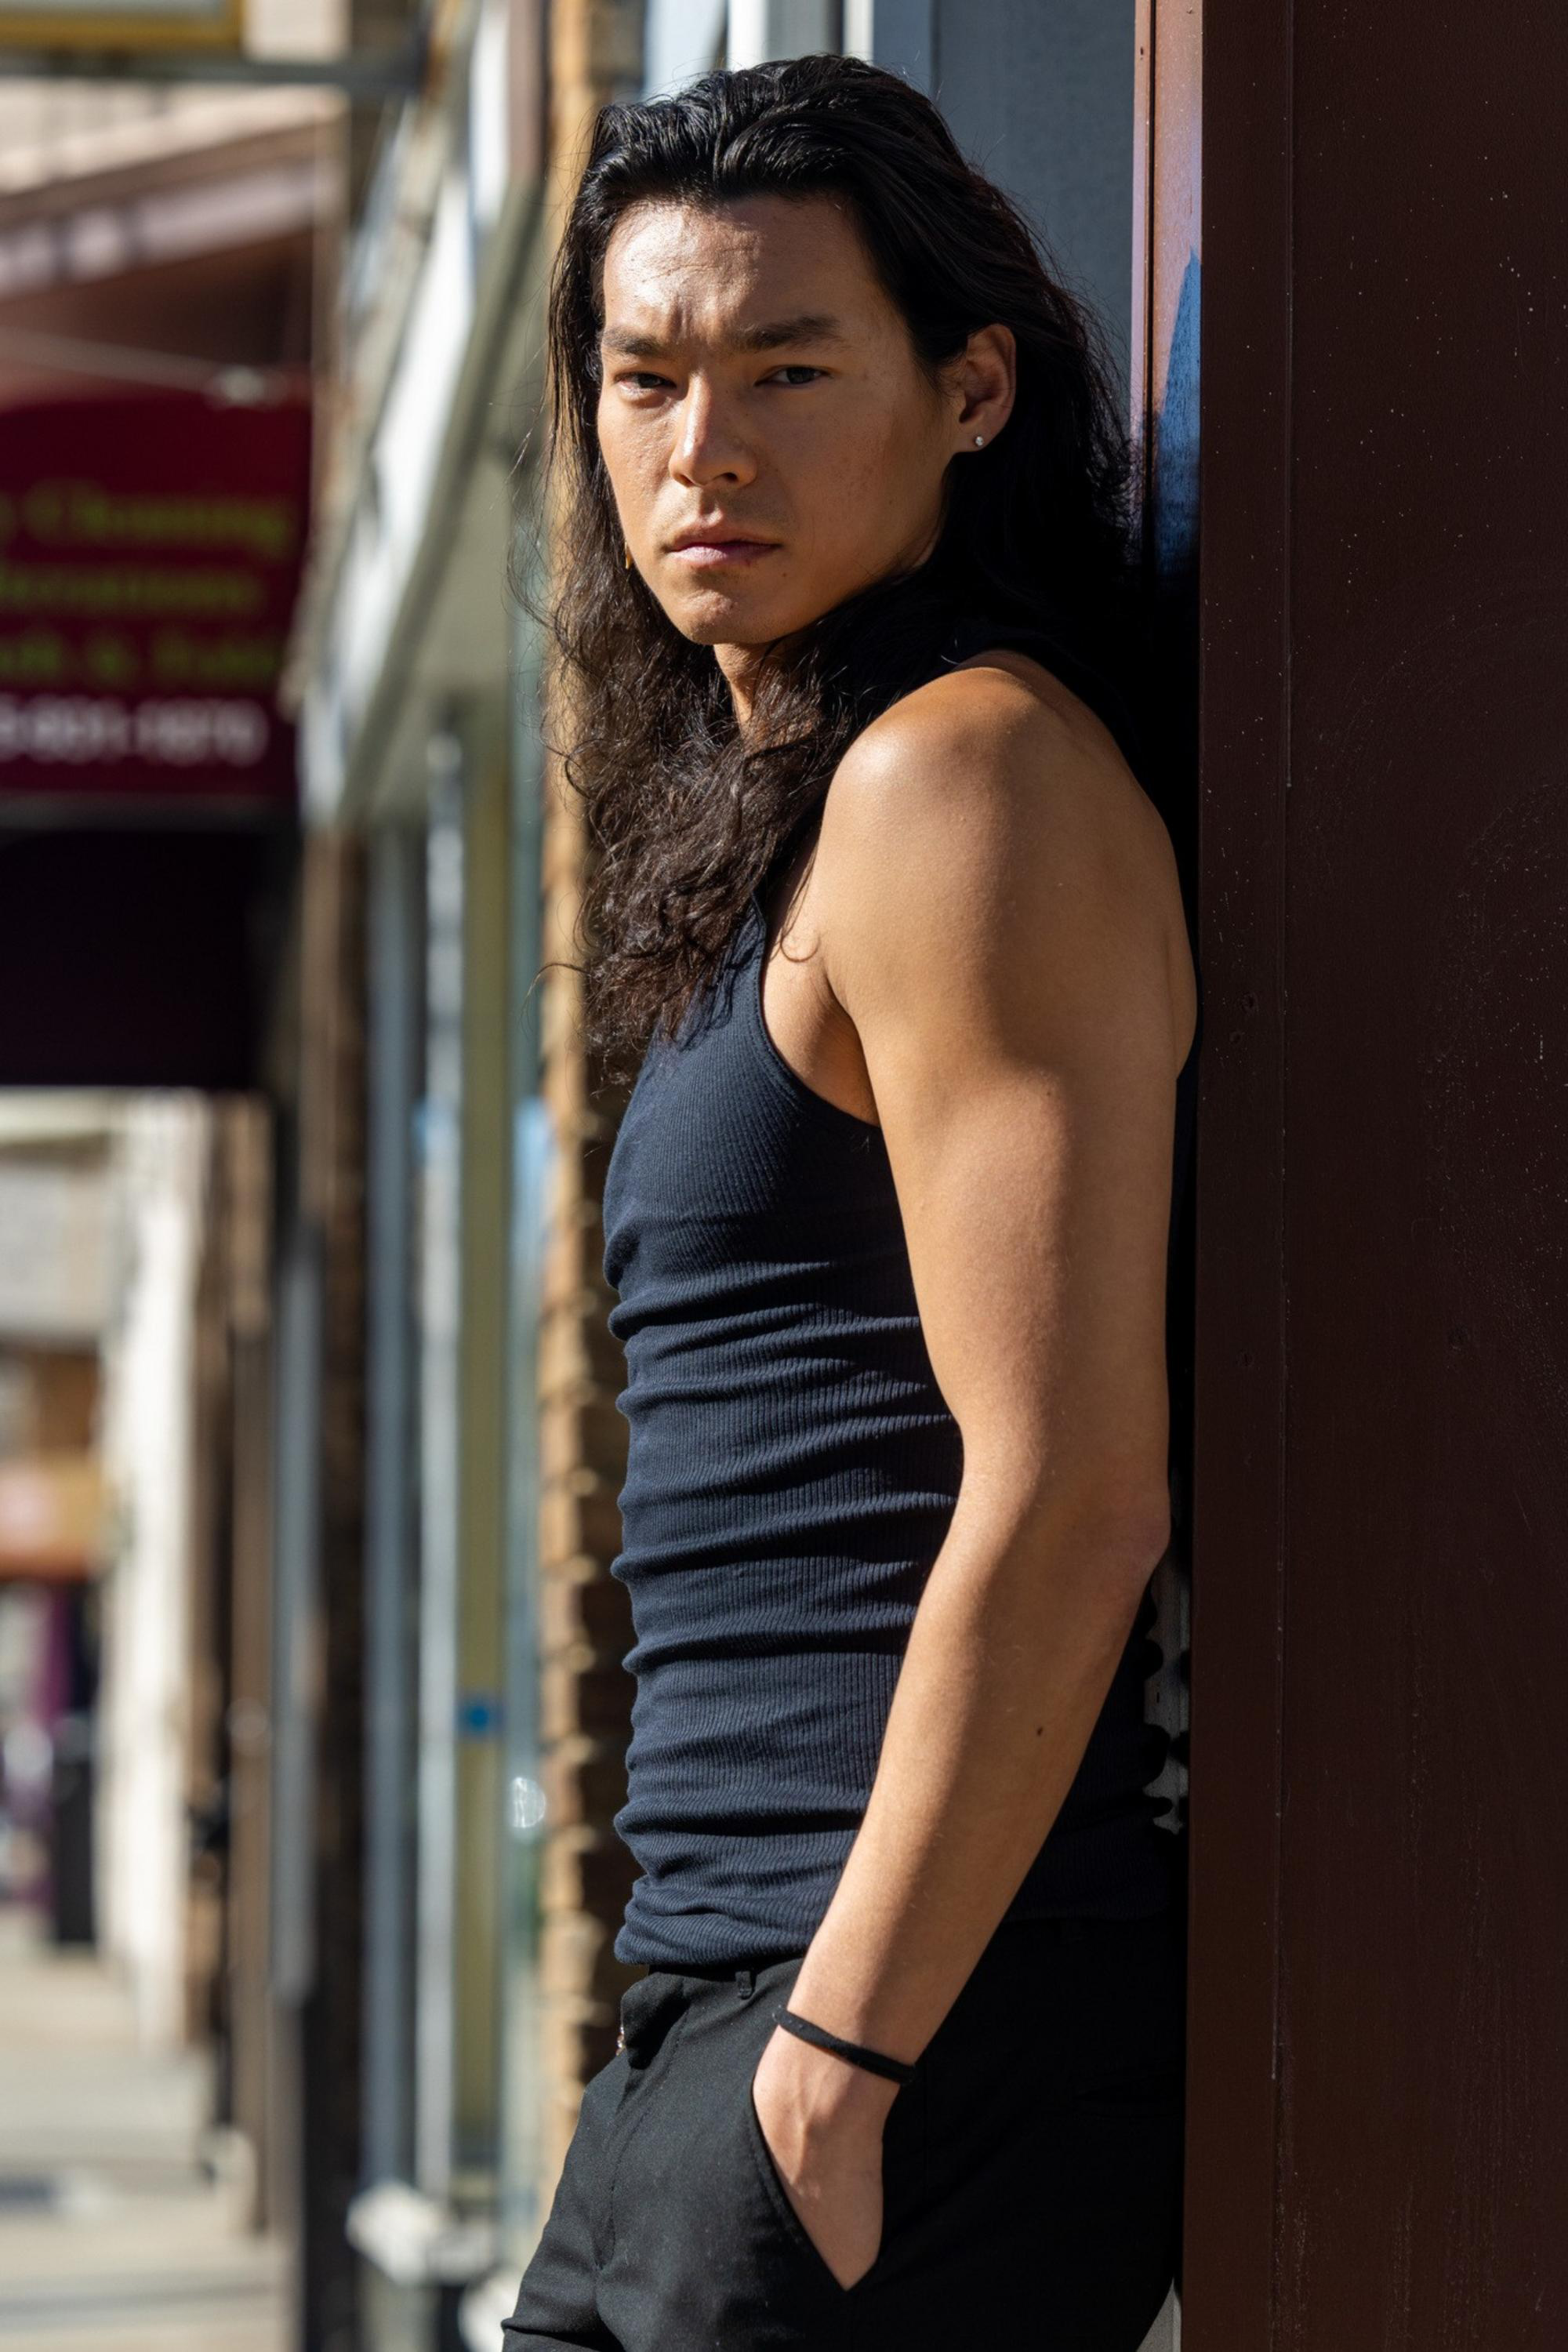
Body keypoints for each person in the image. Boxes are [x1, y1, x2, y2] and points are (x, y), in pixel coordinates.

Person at [505, 52, 1200, 2352]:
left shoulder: (961, 778)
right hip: (734, 1998)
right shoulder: (797, 803)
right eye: (647, 379)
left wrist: (841, 2056)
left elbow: (1071, 1485)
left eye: (789, 370)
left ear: (970, 390)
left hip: (904, 2018)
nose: (704, 448)